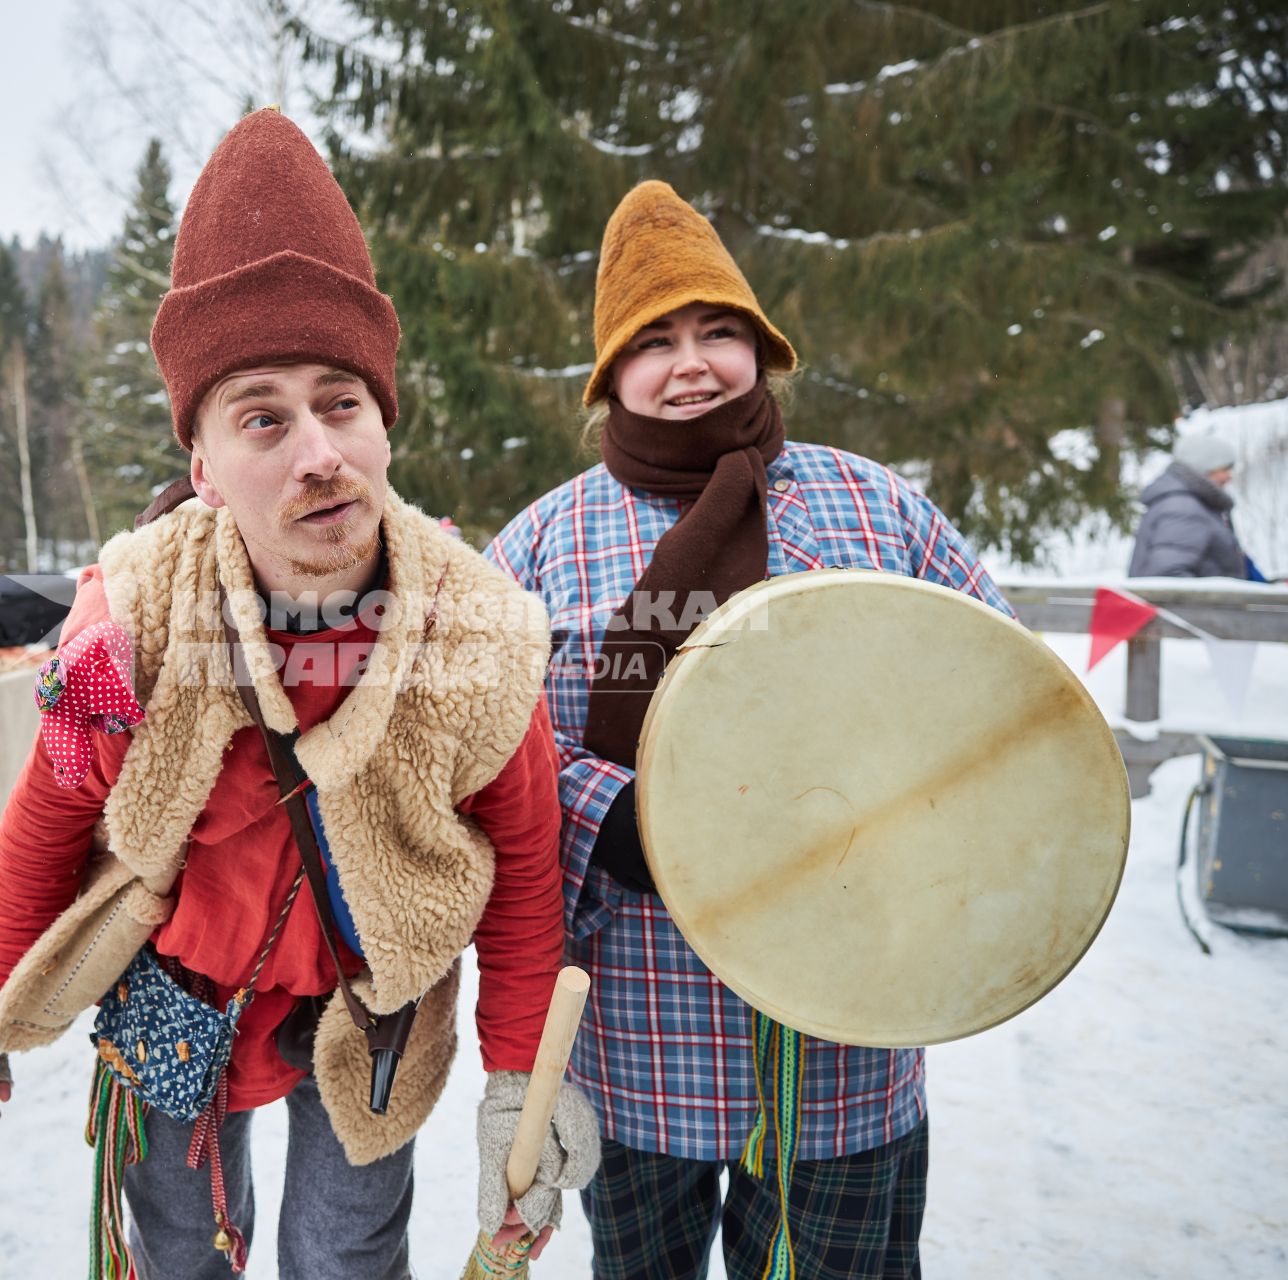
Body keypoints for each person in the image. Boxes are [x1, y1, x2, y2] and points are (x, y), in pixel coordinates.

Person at [0, 109, 598, 1279]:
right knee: (179, 1253)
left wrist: (518, 1079)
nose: (317, 450)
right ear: (204, 466)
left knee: (346, 1255)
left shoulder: (477, 634)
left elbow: (523, 870)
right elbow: (55, 809)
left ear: (382, 422)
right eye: (262, 417)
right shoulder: (124, 629)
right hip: (174, 991)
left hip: (371, 1008)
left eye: (342, 402)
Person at [487, 181, 1014, 1279]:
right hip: (638, 1037)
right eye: (655, 340)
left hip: (846, 1043)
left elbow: (998, 705)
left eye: (717, 331)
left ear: (760, 350)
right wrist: (619, 817)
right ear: (610, 378)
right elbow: (493, 746)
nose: (691, 364)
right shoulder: (543, 544)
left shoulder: (872, 509)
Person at [1128, 433, 1258, 578]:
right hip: (1203, 601)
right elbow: (1167, 576)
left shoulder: (1196, 505)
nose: (1229, 476)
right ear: (1205, 467)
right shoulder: (1182, 509)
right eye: (1224, 469)